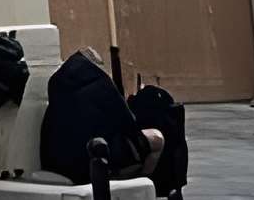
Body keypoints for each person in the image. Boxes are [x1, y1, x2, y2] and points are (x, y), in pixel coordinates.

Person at [39, 49, 164, 184]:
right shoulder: (101, 84)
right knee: (156, 138)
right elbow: (128, 123)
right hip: (92, 161)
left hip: (56, 164)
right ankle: (140, 187)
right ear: (96, 65)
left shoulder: (57, 84)